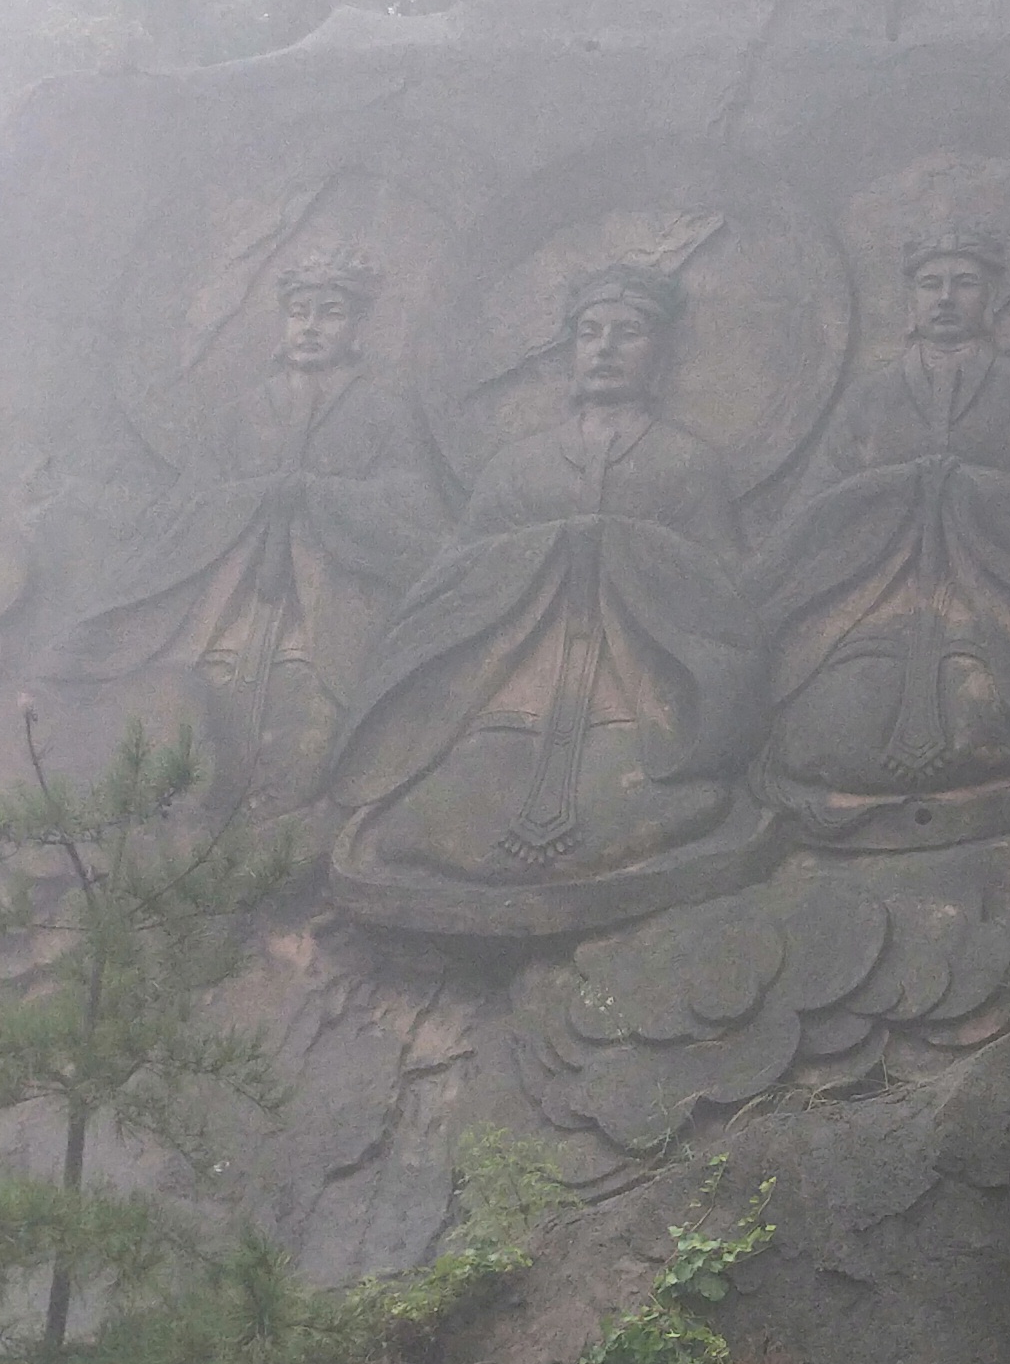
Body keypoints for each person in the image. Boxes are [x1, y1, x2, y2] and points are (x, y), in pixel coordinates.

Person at [328, 262, 766, 924]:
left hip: (633, 707)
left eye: (629, 332)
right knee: (430, 821)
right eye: (590, 332)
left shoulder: (686, 463)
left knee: (671, 807)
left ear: (662, 355)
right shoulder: (518, 465)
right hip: (510, 701)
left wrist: (628, 551)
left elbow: (725, 600)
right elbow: (448, 590)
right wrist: (547, 553)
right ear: (569, 350)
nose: (606, 348)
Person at [47, 246, 447, 810]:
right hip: (223, 610)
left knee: (319, 727)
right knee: (183, 713)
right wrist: (253, 501)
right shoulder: (237, 416)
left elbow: (414, 511)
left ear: (358, 327)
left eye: (330, 312)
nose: (310, 326)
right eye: (299, 311)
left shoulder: (383, 415)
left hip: (326, 613)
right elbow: (185, 512)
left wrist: (315, 496)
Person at [750, 224, 1010, 813]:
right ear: (910, 300)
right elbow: (811, 517)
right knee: (828, 732)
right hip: (871, 605)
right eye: (930, 283)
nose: (945, 297)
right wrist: (894, 495)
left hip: (991, 599)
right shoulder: (868, 397)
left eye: (964, 282)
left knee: (992, 724)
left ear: (991, 297)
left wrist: (960, 491)